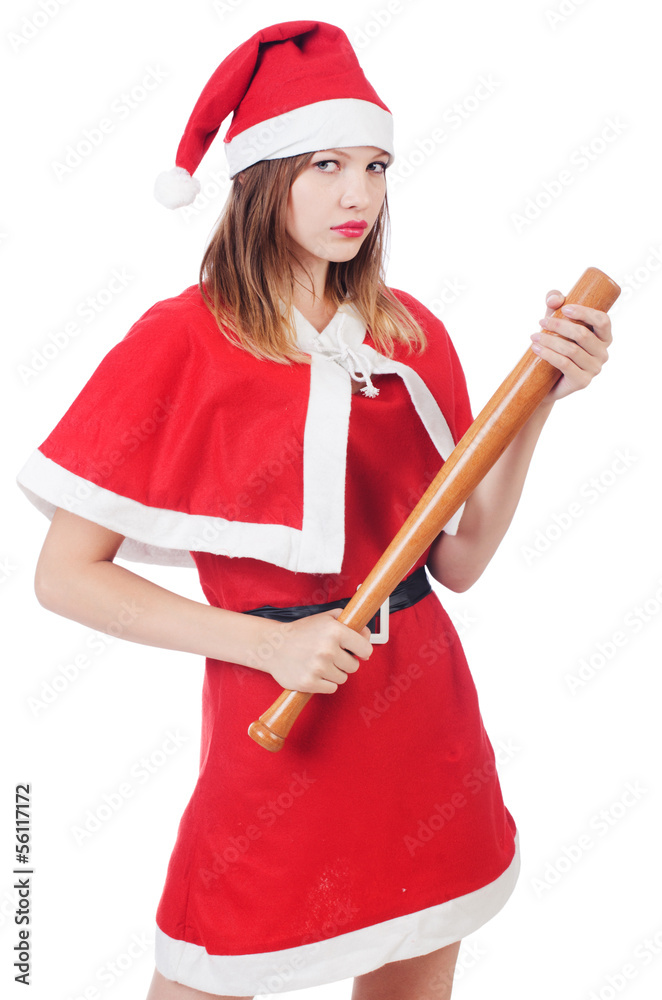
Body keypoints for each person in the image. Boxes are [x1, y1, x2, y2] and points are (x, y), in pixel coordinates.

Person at [17, 20, 612, 1000]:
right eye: (327, 163)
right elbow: (62, 576)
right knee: (209, 964)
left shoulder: (407, 332)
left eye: (375, 164)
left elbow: (455, 563)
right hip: (278, 729)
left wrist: (538, 399)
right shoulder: (176, 342)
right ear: (260, 177)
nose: (357, 195)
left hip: (424, 722)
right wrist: (267, 648)